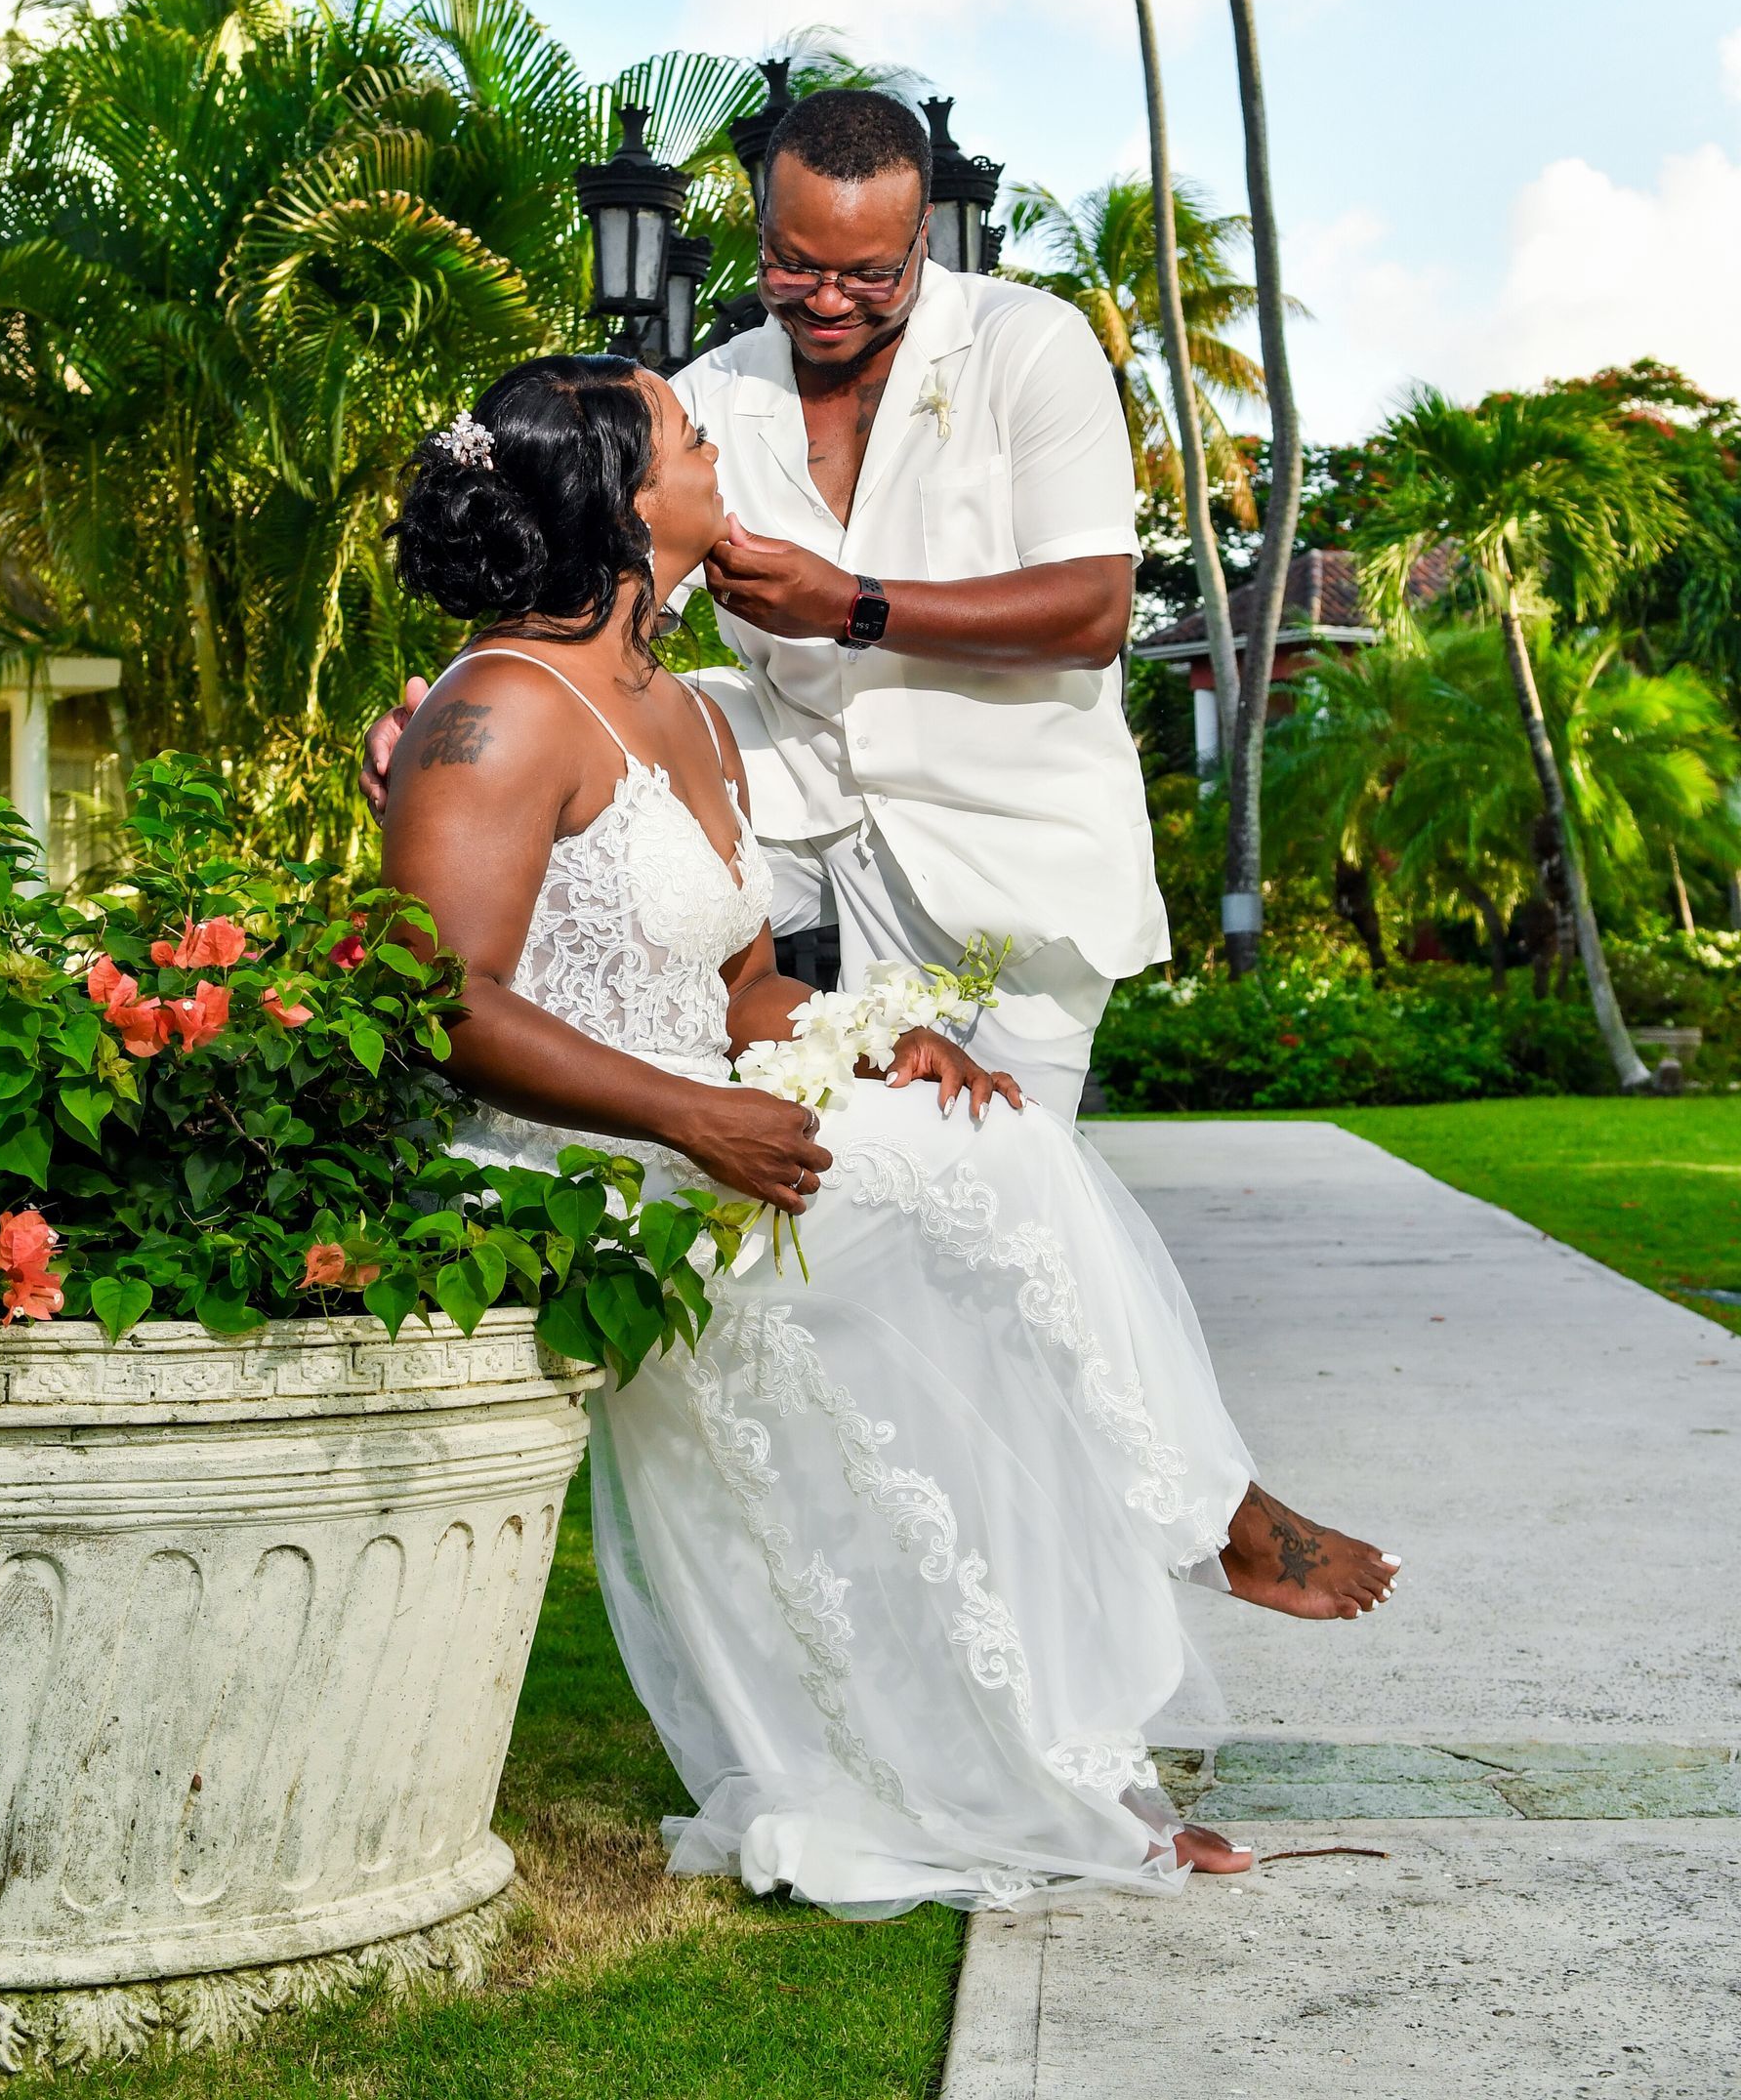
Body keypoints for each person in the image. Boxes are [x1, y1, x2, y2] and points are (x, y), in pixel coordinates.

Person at [380, 350, 1399, 1920]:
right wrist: (688, 1114)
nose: (718, 455)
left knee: (983, 1182)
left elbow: (738, 981)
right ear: (622, 497)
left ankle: (1066, 1731)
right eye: (690, 439)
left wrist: (866, 1037)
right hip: (579, 1161)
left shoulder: (686, 714)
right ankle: (1205, 1528)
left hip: (707, 1120)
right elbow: (440, 1002)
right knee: (991, 1184)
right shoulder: (501, 709)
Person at [366, 85, 1162, 1125]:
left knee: (1003, 1172)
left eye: (871, 273)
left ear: (926, 237)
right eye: (796, 265)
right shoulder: (708, 394)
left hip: (1007, 841)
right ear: (757, 223)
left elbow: (1093, 611)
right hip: (790, 794)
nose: (830, 300)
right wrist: (454, 732)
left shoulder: (1031, 346)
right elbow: (583, 582)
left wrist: (849, 606)